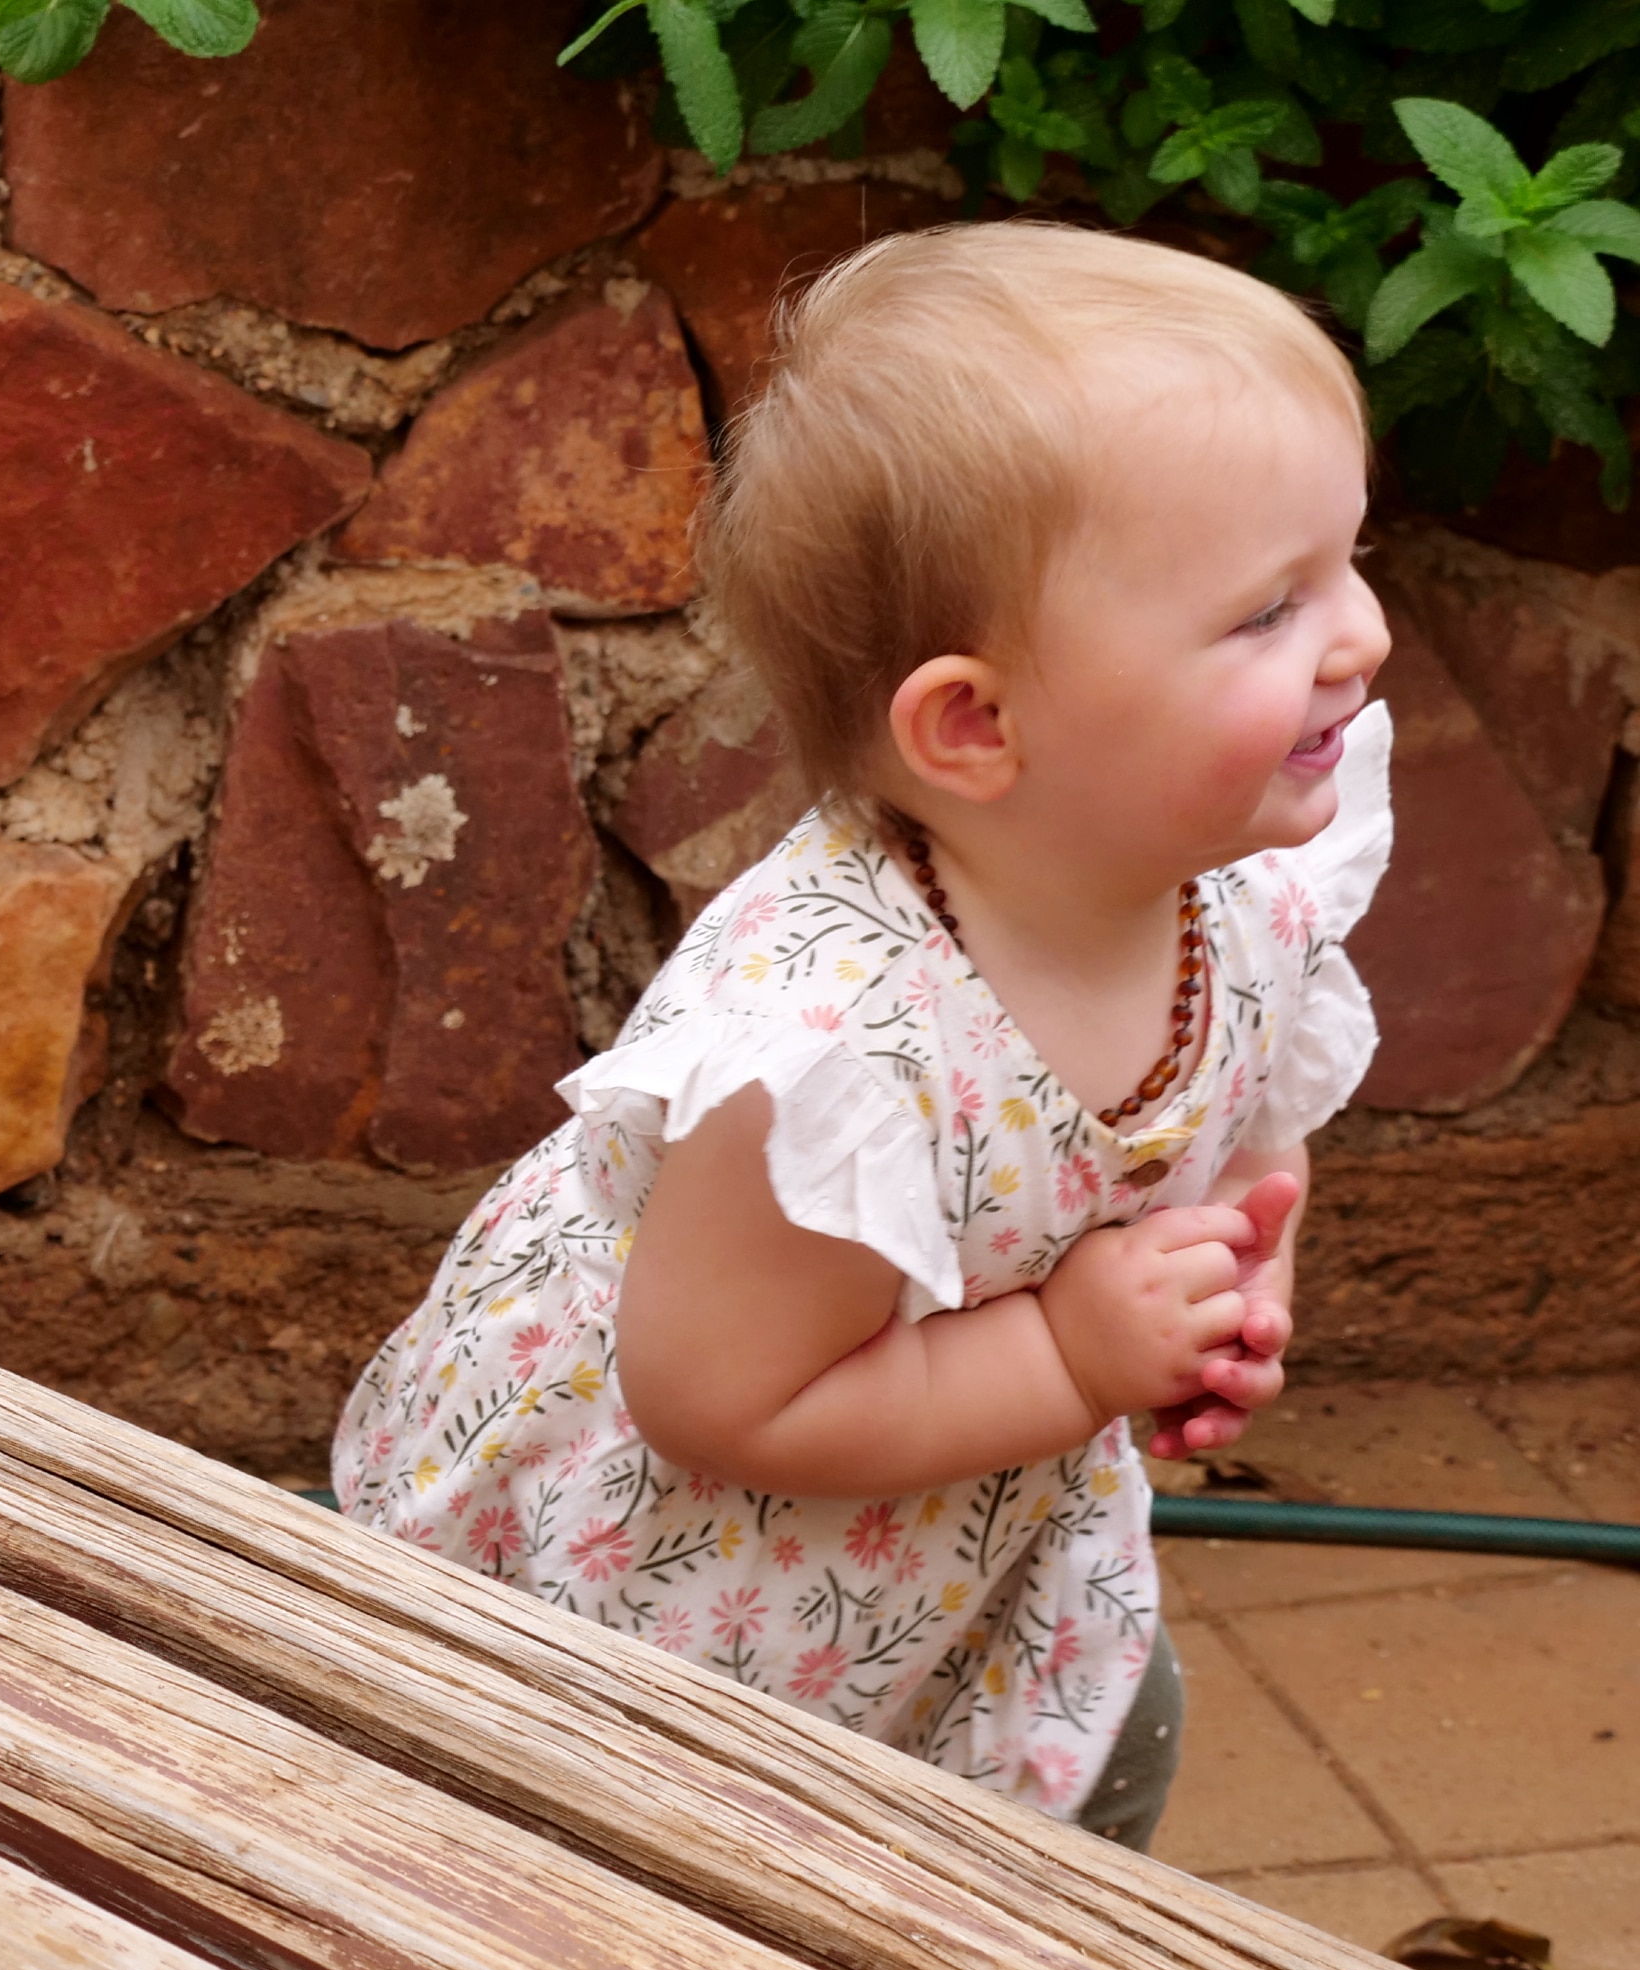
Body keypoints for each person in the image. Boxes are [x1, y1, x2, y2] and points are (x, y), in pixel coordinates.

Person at [334, 223, 1396, 1850]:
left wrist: (1235, 1279)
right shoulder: (831, 1057)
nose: (1360, 637)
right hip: (686, 1603)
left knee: (1103, 1764)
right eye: (1268, 611)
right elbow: (722, 1404)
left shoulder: (1240, 884)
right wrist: (1065, 1358)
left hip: (982, 1547)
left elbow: (1250, 1120)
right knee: (629, 1896)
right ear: (978, 726)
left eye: (1345, 560)